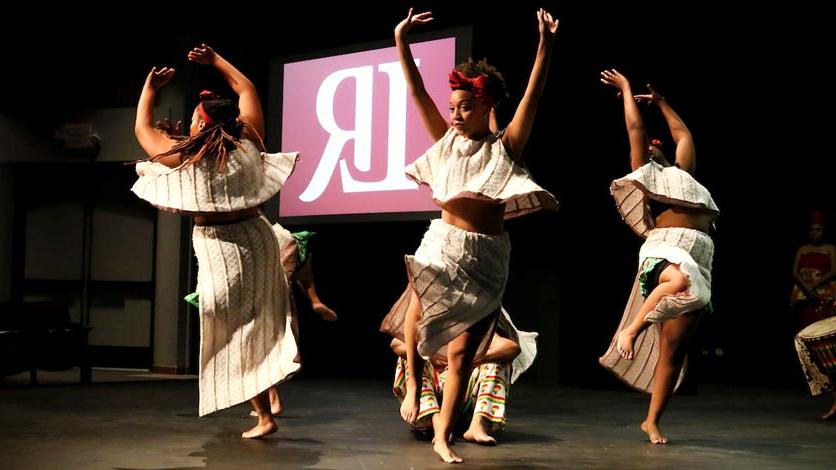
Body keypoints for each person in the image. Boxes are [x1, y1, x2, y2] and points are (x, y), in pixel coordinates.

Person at [379, 8, 559, 463]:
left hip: (487, 256)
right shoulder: (445, 140)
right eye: (453, 106)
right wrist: (401, 41)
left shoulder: (505, 147)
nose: (456, 115)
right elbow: (417, 90)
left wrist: (545, 44)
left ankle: (447, 431)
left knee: (462, 354)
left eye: (466, 107)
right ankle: (423, 401)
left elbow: (533, 98)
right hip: (442, 242)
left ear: (487, 107)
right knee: (416, 316)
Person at [131, 44, 300, 439]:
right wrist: (217, 62)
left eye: (193, 118)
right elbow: (247, 89)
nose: (189, 123)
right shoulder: (248, 143)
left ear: (203, 126)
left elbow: (142, 129)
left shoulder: (188, 158)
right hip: (257, 237)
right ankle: (269, 393)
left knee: (229, 325)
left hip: (219, 245)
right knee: (257, 319)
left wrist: (149, 89)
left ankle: (264, 409)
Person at [598, 70, 719, 444]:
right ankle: (631, 329)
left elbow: (684, 135)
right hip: (665, 246)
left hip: (700, 254)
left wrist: (662, 103)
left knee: (674, 348)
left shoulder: (685, 174)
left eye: (655, 147)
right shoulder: (647, 176)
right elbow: (635, 133)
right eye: (646, 150)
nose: (650, 149)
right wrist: (626, 91)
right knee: (677, 281)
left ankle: (651, 420)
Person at [390, 309, 537, 446]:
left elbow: (511, 347)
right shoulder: (431, 320)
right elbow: (396, 344)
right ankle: (437, 424)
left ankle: (478, 425)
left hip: (465, 396)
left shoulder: (471, 321)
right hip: (431, 402)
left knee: (497, 363)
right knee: (409, 360)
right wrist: (434, 354)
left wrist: (471, 361)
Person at [790, 211, 836, 328]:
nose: (815, 233)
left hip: (824, 294)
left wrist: (814, 285)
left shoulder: (830, 248)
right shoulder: (802, 249)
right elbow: (795, 272)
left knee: (823, 326)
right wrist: (807, 287)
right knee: (806, 326)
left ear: (824, 231)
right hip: (805, 294)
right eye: (812, 230)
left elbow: (833, 271)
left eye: (818, 230)